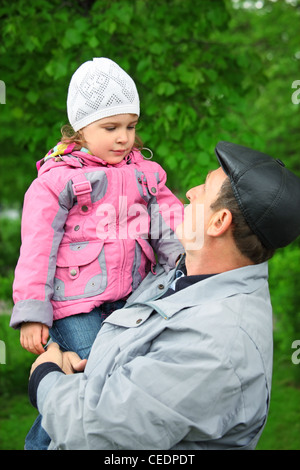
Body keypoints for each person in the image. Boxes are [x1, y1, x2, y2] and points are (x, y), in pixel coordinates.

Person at [28, 141, 300, 450]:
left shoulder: (215, 344)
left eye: (204, 188)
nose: (190, 192)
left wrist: (45, 376)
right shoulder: (183, 276)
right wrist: (95, 367)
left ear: (218, 222)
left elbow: (93, 429)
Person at [10, 57, 183, 449]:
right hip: (74, 305)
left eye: (130, 126)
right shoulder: (57, 181)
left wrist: (189, 260)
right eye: (111, 127)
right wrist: (32, 312)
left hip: (130, 299)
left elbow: (170, 222)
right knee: (98, 377)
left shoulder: (144, 173)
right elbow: (37, 248)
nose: (123, 138)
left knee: (98, 381)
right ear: (79, 128)